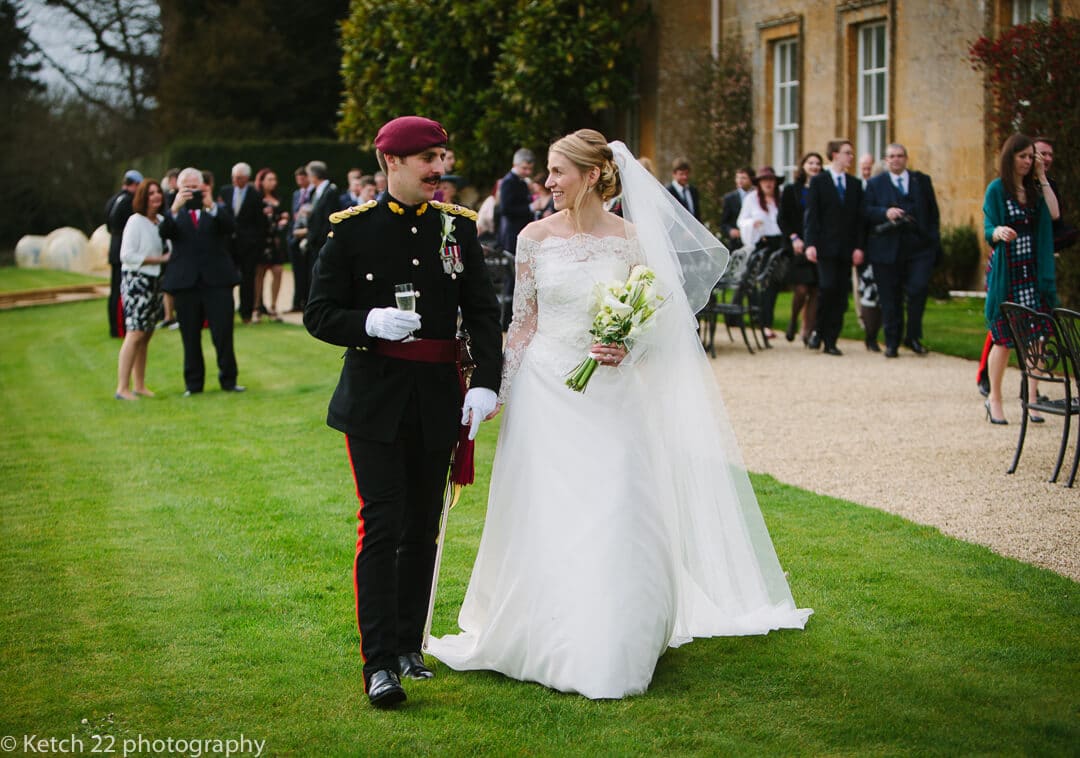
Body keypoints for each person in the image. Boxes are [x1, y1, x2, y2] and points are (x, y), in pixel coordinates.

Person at [427, 129, 811, 700]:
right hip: (544, 394)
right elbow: (524, 324)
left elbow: (660, 322)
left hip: (612, 394)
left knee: (617, 502)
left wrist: (629, 345)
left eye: (557, 172)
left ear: (590, 175)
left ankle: (616, 636)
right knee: (547, 509)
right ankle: (545, 629)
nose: (548, 183)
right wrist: (495, 390)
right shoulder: (533, 238)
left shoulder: (634, 241)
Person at [304, 116, 504, 709]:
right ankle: (378, 664)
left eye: (442, 158)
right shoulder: (351, 231)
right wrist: (365, 324)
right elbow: (318, 313)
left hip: (438, 397)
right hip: (374, 400)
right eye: (428, 160)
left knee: (423, 527)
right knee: (383, 524)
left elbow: (484, 312)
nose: (440, 171)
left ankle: (410, 646)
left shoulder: (457, 228)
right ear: (391, 163)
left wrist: (485, 384)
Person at [982, 134, 1060, 425]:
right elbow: (988, 226)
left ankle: (1033, 396)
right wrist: (999, 231)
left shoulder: (1035, 189)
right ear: (1010, 157)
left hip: (1033, 272)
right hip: (1007, 272)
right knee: (1003, 339)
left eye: (1031, 157)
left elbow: (1053, 213)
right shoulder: (996, 190)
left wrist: (1041, 176)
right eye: (1023, 157)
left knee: (1039, 337)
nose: (1028, 162)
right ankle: (995, 398)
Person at [160, 168, 245, 396]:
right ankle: (193, 384)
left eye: (195, 187)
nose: (191, 192)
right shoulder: (174, 211)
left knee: (223, 334)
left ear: (203, 187)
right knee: (189, 336)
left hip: (216, 281)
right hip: (186, 282)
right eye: (186, 187)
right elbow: (164, 232)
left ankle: (229, 380)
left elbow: (230, 228)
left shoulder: (216, 209)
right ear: (178, 188)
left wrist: (212, 207)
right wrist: (175, 208)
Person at [862, 144, 941, 358]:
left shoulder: (921, 181)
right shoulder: (875, 184)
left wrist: (933, 241)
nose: (895, 160)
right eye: (891, 157)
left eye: (899, 156)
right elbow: (865, 211)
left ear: (906, 158)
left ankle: (913, 336)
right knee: (890, 297)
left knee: (918, 290)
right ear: (886, 161)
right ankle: (892, 341)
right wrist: (884, 212)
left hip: (919, 247)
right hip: (886, 249)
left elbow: (933, 213)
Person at [805, 139, 866, 356]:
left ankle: (831, 339)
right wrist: (810, 243)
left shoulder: (855, 184)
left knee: (840, 295)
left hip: (846, 249)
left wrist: (859, 247)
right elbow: (812, 216)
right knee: (827, 288)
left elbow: (859, 220)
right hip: (824, 247)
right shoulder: (819, 182)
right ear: (834, 155)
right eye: (847, 153)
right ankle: (817, 332)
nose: (850, 157)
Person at [115, 179, 171, 400]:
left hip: (155, 281)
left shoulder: (161, 221)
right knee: (135, 332)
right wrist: (158, 259)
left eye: (158, 192)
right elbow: (127, 255)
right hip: (136, 281)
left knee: (147, 333)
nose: (156, 196)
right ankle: (122, 387)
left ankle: (139, 384)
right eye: (151, 193)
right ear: (142, 197)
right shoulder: (135, 221)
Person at [778, 152, 822, 344]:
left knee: (816, 290)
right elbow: (782, 218)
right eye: (810, 162)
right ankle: (794, 319)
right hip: (798, 245)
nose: (814, 166)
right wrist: (793, 237)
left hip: (818, 245)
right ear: (803, 165)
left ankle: (808, 329)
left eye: (818, 163)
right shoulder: (791, 190)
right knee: (802, 288)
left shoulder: (823, 188)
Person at [737, 165, 784, 339]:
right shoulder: (752, 199)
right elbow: (742, 221)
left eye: (771, 181)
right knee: (762, 284)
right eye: (765, 181)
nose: (768, 184)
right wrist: (752, 225)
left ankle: (767, 322)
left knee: (773, 286)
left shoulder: (781, 198)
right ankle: (762, 323)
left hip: (779, 244)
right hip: (762, 244)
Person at [220, 163, 264, 324]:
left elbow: (260, 223)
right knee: (226, 278)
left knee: (247, 279)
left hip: (248, 245)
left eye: (238, 178)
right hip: (228, 244)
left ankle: (246, 313)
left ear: (246, 178)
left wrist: (256, 242)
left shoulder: (255, 195)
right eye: (233, 177)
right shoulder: (225, 192)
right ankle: (226, 311)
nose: (235, 180)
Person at [105, 169, 142, 338]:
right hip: (123, 248)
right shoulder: (128, 202)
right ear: (133, 185)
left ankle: (114, 326)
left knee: (115, 290)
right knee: (121, 290)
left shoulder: (113, 199)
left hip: (114, 246)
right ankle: (119, 328)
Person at [253, 168, 289, 321]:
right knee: (259, 274)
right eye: (269, 179)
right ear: (261, 181)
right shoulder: (257, 199)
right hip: (261, 241)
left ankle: (273, 306)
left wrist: (284, 220)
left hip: (275, 241)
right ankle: (256, 307)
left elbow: (284, 215)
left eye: (274, 179)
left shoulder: (278, 198)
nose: (273, 183)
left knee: (278, 271)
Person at [287, 167, 312, 313]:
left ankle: (305, 300)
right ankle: (297, 300)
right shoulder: (297, 194)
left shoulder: (312, 194)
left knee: (307, 271)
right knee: (297, 271)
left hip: (306, 235)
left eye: (302, 178)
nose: (300, 181)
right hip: (295, 235)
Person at [720, 167, 754, 247]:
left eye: (743, 178)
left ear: (751, 179)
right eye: (738, 178)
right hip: (736, 243)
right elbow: (724, 223)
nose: (740, 181)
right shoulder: (729, 198)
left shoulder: (757, 196)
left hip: (754, 240)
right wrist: (730, 231)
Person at [666, 156, 701, 221]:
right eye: (681, 174)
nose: (685, 177)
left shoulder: (693, 191)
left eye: (687, 174)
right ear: (674, 174)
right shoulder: (668, 192)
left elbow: (697, 215)